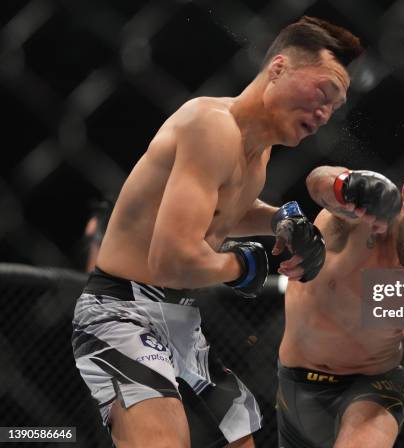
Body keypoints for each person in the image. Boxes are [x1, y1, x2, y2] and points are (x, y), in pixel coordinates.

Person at [71, 16, 363, 448]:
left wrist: (279, 219)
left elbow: (227, 209)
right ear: (279, 68)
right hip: (121, 309)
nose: (324, 114)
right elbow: (169, 258)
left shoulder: (257, 155)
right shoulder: (211, 126)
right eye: (322, 93)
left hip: (179, 318)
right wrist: (242, 264)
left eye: (335, 108)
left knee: (240, 430)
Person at [277, 162, 404, 447]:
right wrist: (347, 183)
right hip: (296, 380)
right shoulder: (361, 219)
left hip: (375, 386)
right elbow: (317, 182)